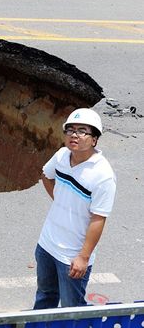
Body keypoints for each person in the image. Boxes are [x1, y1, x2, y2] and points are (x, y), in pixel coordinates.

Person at [33, 108, 116, 309]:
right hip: (46, 245)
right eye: (70, 130)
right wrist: (61, 200)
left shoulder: (103, 175)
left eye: (81, 131)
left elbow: (99, 218)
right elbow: (46, 175)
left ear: (94, 139)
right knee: (44, 297)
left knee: (72, 309)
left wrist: (83, 257)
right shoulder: (62, 156)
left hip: (72, 256)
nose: (74, 135)